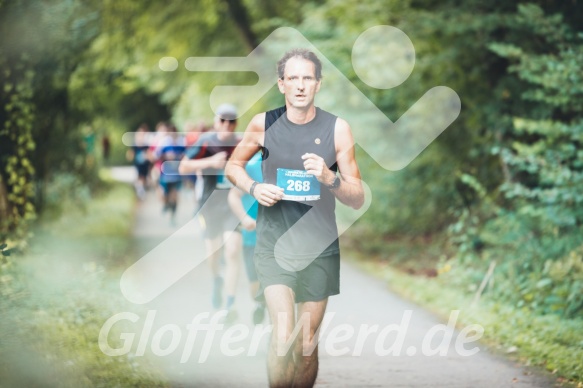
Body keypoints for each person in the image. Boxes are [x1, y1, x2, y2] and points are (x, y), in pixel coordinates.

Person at [225, 48, 364, 387]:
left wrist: (329, 178)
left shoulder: (338, 129)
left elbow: (357, 197)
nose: (300, 85)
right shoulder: (263, 124)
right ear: (281, 84)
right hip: (274, 244)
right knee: (283, 335)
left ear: (318, 84)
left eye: (307, 78)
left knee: (305, 344)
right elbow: (233, 166)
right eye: (293, 78)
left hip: (319, 248)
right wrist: (254, 188)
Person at [179, 104, 243, 321]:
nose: (226, 124)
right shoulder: (205, 141)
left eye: (231, 121)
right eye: (222, 120)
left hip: (233, 205)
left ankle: (230, 304)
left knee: (233, 250)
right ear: (216, 121)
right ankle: (216, 278)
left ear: (236, 123)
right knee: (212, 254)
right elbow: (183, 167)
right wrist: (210, 162)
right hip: (209, 205)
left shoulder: (240, 143)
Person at [227, 151, 266, 325]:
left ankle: (278, 335)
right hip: (253, 237)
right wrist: (245, 218)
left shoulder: (292, 163)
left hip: (279, 238)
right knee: (255, 286)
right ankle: (260, 304)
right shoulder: (251, 166)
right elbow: (233, 196)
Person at [155, 123, 186, 225]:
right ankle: (166, 205)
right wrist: (166, 156)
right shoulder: (164, 142)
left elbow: (186, 155)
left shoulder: (181, 142)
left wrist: (178, 157)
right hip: (165, 174)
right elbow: (156, 156)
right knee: (165, 194)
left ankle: (172, 216)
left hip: (177, 174)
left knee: (175, 196)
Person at [126, 123, 150, 200]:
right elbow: (131, 152)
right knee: (140, 176)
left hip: (145, 163)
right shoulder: (135, 145)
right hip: (138, 163)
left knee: (144, 177)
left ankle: (141, 189)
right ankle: (140, 190)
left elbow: (149, 152)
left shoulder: (146, 144)